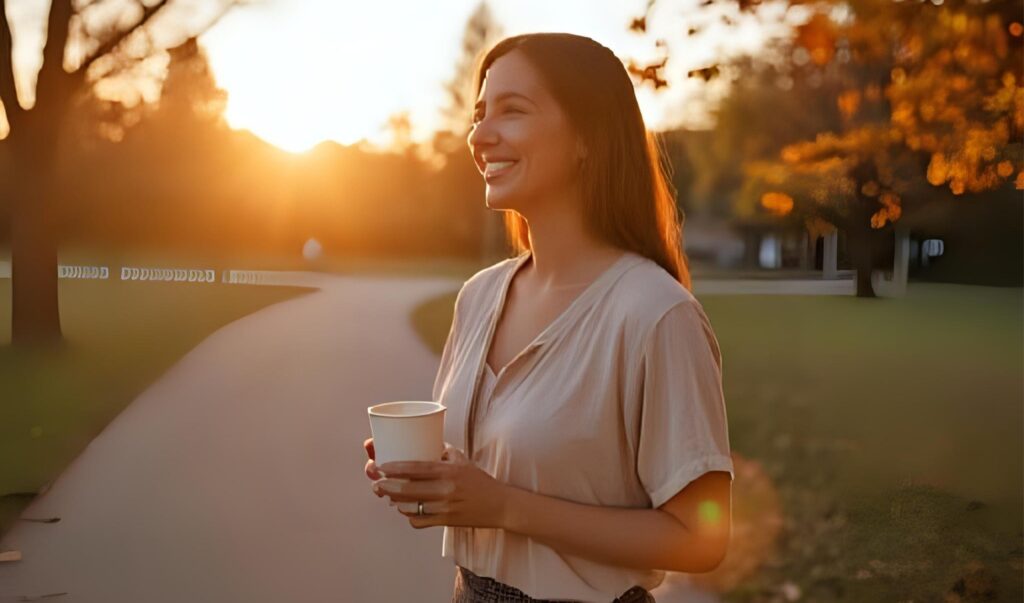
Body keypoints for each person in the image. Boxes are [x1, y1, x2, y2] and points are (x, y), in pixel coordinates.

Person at [363, 32, 734, 603]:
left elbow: (701, 541)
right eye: (480, 113)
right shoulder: (480, 296)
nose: (479, 135)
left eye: (512, 111)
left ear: (588, 137)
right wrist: (439, 488)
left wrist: (502, 506)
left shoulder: (656, 315)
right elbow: (493, 474)